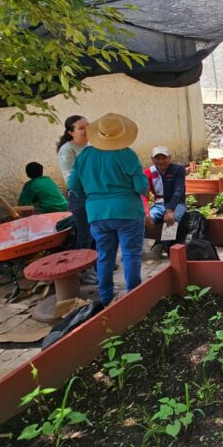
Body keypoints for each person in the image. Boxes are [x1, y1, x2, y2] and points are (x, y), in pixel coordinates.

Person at [68, 113, 145, 305]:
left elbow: (73, 185)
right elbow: (142, 187)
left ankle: (105, 297)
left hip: (97, 214)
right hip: (128, 211)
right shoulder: (127, 154)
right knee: (130, 255)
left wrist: (93, 197)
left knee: (104, 256)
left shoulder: (85, 155)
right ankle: (135, 296)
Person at [56, 115, 92, 250]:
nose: (87, 129)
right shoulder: (67, 150)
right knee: (85, 233)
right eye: (82, 128)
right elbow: (70, 179)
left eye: (88, 125)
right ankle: (84, 268)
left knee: (98, 231)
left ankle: (98, 263)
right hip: (79, 196)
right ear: (71, 133)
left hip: (95, 194)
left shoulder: (91, 146)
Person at [144, 146, 187, 240]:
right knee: (142, 221)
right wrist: (146, 214)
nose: (160, 161)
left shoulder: (178, 169)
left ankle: (165, 248)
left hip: (177, 203)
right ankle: (139, 248)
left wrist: (170, 210)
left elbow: (178, 191)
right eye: (157, 158)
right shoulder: (148, 172)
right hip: (159, 205)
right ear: (152, 159)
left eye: (164, 158)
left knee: (173, 219)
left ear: (170, 158)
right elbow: (143, 194)